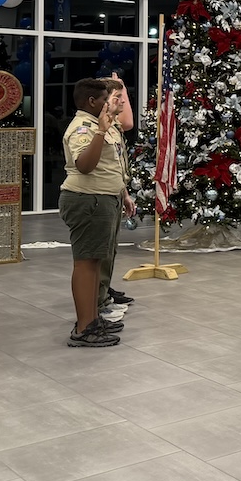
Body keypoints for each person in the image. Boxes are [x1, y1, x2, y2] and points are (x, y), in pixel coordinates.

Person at [59, 78, 132, 347]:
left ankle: (92, 319)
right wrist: (100, 132)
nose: (108, 104)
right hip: (87, 200)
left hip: (103, 199)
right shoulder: (82, 128)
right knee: (86, 264)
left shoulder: (99, 125)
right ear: (92, 102)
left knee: (95, 263)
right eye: (104, 100)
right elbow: (85, 166)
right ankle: (83, 328)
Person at [97, 76, 136, 321]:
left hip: (112, 193)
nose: (121, 102)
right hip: (97, 198)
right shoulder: (92, 127)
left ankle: (103, 294)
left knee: (108, 251)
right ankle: (97, 302)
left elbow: (128, 122)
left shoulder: (111, 126)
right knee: (97, 254)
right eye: (116, 98)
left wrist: (123, 193)